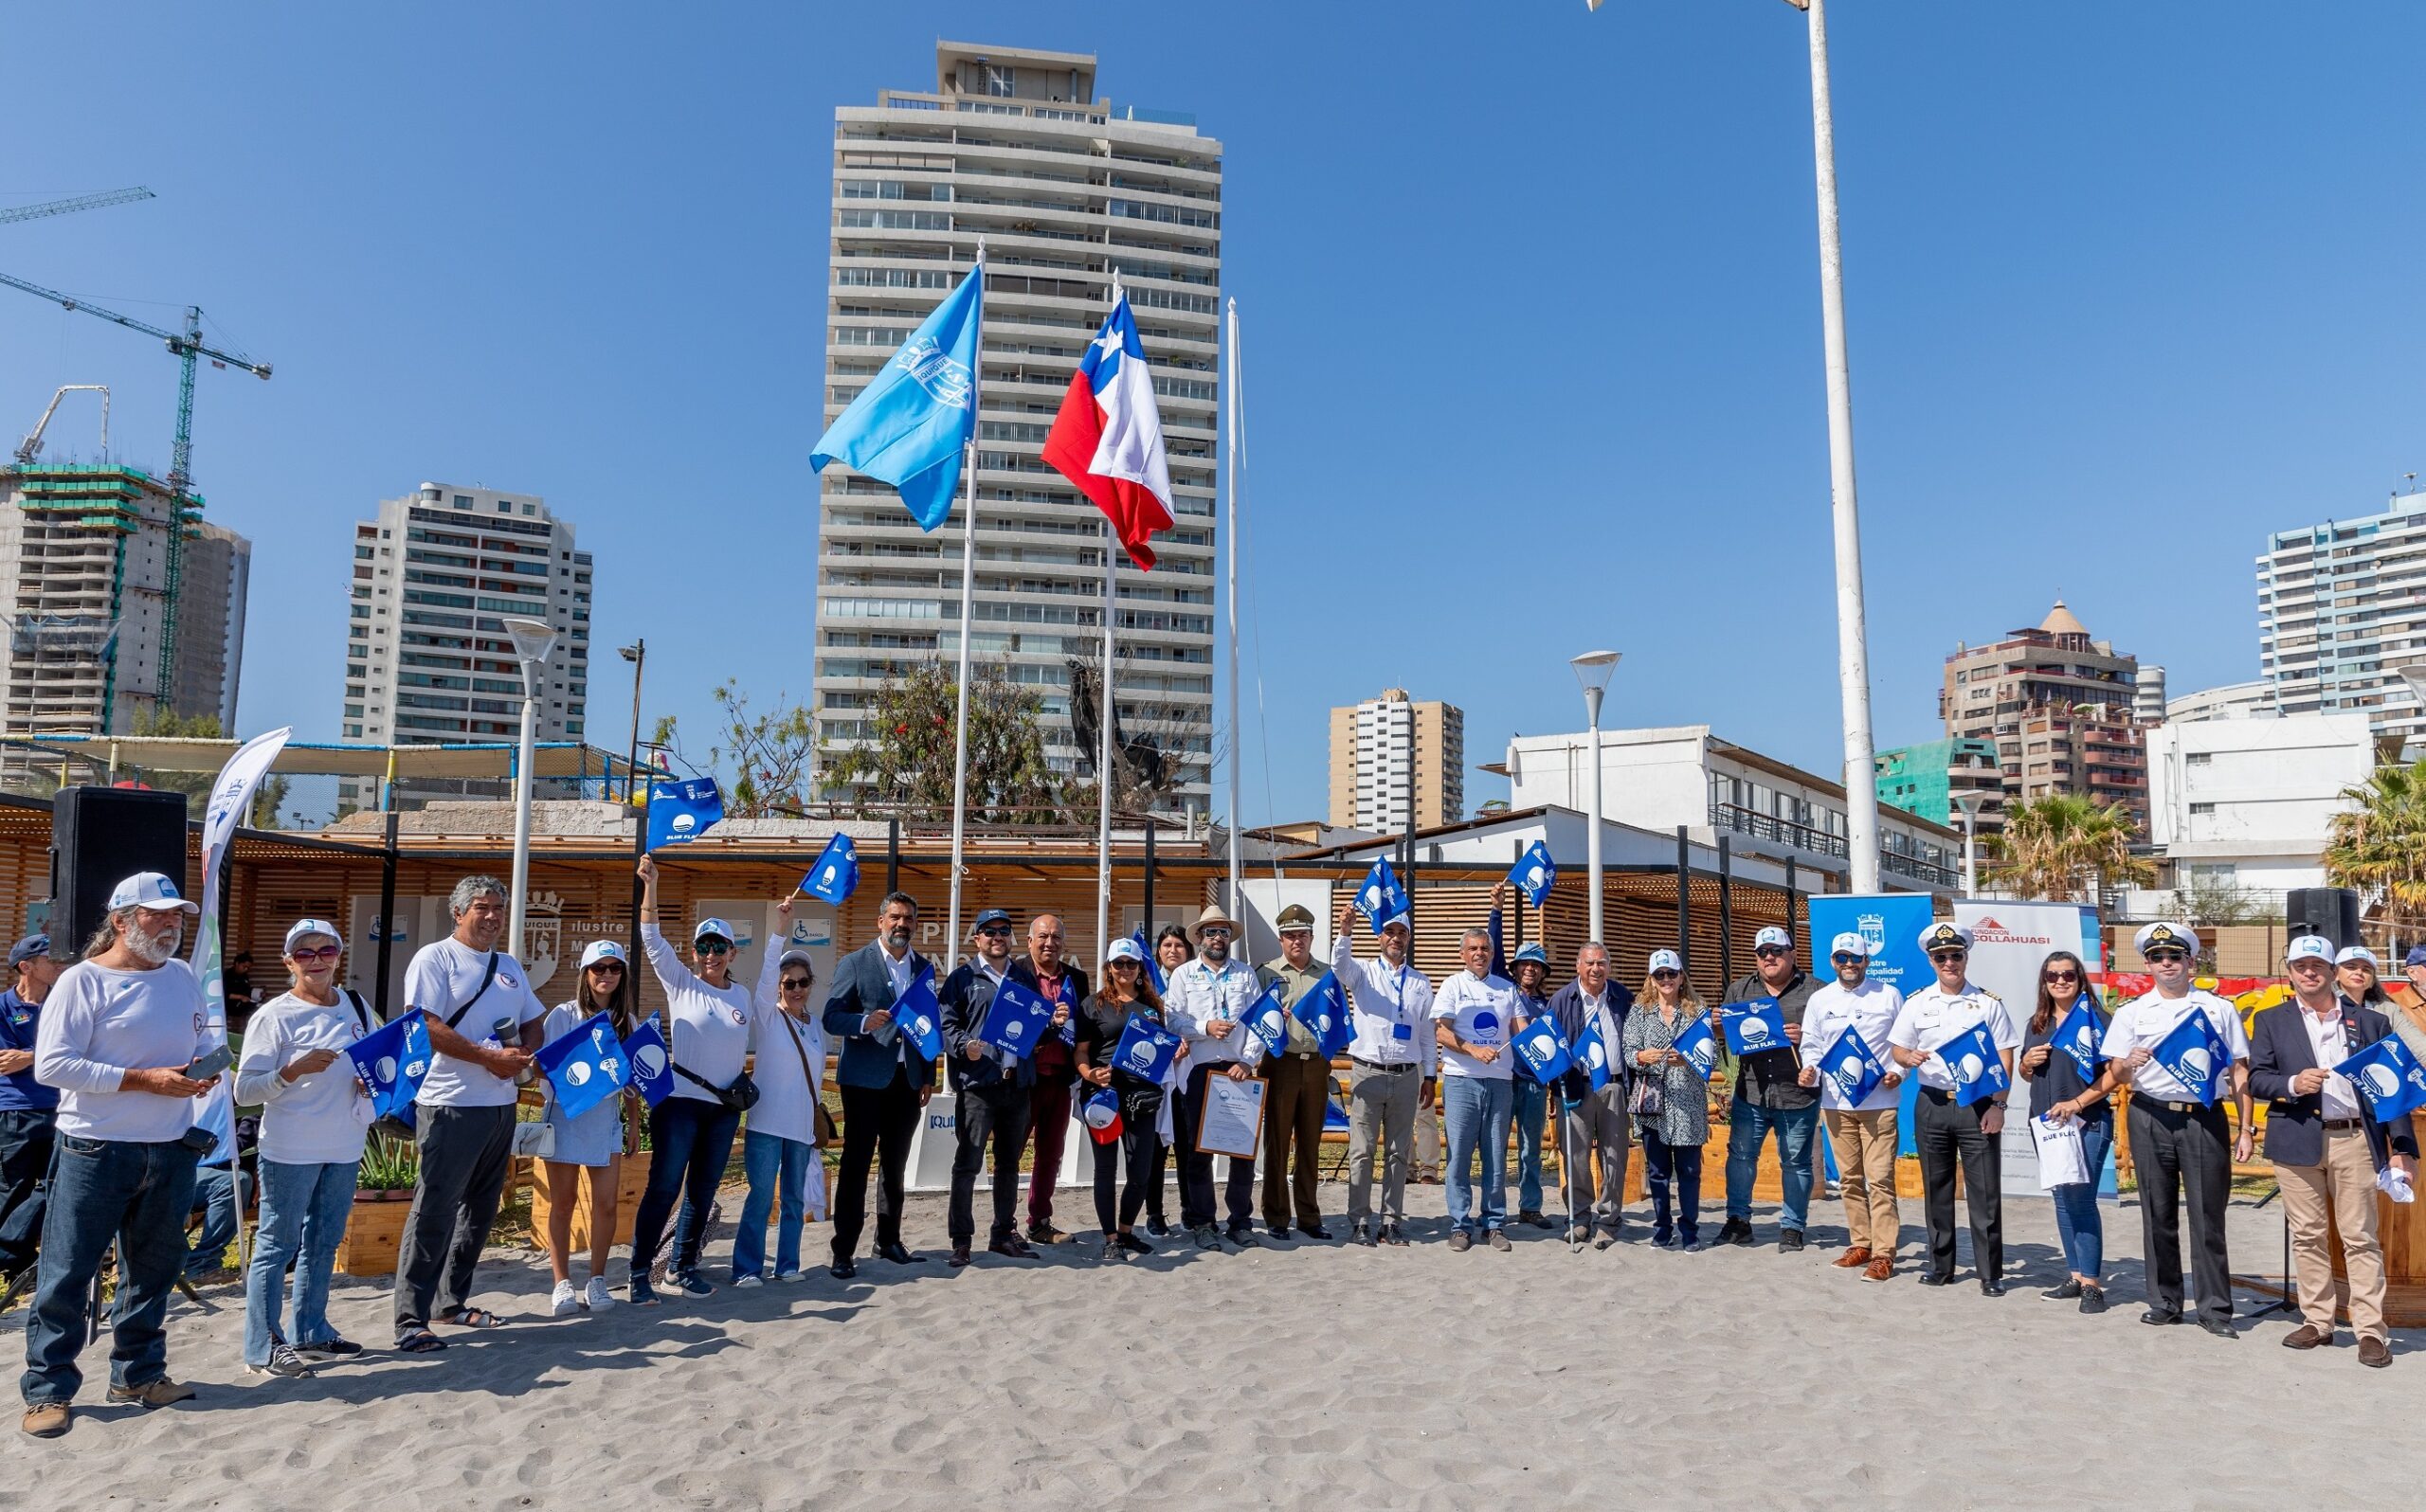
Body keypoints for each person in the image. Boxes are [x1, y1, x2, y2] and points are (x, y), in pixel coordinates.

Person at [20, 873, 215, 1439]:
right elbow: (51, 1065)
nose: (172, 925)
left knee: (153, 1271)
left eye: (177, 915)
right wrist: (142, 1080)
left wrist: (202, 1069)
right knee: (67, 1274)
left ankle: (138, 1375)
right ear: (122, 919)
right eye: (159, 915)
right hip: (95, 1149)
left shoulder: (181, 977)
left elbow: (202, 1041)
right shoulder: (82, 982)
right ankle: (48, 1392)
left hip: (173, 1145)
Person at [2050, 921, 2252, 1338]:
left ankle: (2214, 1309)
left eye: (2174, 956)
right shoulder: (2133, 1012)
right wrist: (2129, 1062)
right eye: (2157, 957)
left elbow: (2239, 1070)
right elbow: (2115, 1073)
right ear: (2147, 964)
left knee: (2207, 1216)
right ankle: (2164, 1302)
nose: (2166, 963)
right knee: (2157, 1213)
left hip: (2203, 1116)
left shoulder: (2218, 1008)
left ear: (2191, 961)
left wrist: (2246, 1128)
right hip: (2150, 1114)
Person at [391, 874, 546, 1354]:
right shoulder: (434, 958)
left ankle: (450, 1302)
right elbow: (424, 1024)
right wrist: (489, 1059)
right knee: (434, 1210)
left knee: (479, 1212)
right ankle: (409, 1318)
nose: (493, 916)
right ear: (458, 912)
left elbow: (534, 1020)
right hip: (449, 1104)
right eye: (482, 907)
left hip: (500, 1105)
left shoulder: (509, 966)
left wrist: (523, 1055)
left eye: (499, 908)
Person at [2247, 935, 2417, 1366]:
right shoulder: (2271, 1020)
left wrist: (2402, 1147)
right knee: (2307, 1236)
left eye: (2318, 966)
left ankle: (2370, 1331)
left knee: (2361, 1237)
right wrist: (2290, 1084)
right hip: (2296, 1135)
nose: (2309, 973)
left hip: (2356, 1139)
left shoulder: (2371, 1022)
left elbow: (2392, 1091)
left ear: (2332, 972)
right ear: (2290, 972)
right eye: (2301, 966)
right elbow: (2256, 1078)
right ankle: (2317, 1321)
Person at [234, 919, 373, 1378]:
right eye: (305, 953)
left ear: (339, 955)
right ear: (289, 961)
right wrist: (293, 1071)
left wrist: (374, 1081)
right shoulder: (273, 1016)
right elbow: (245, 1092)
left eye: (326, 951)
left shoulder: (355, 1004)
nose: (317, 960)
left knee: (323, 1242)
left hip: (345, 1144)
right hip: (290, 1148)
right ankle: (263, 1344)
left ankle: (310, 1330)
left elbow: (380, 1057)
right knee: (277, 1245)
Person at [627, 857, 758, 1304]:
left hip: (723, 1110)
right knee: (663, 1189)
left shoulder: (741, 995)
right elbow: (650, 937)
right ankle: (640, 1273)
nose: (712, 954)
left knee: (702, 1192)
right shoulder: (681, 982)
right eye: (705, 946)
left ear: (733, 953)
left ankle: (682, 1268)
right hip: (679, 1105)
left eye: (721, 947)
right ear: (695, 951)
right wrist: (652, 886)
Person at [1887, 922, 2017, 1296]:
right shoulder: (1917, 1003)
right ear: (1931, 961)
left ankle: (1990, 1273)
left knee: (1985, 1192)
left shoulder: (1988, 1003)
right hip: (1931, 1103)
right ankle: (1941, 1266)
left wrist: (1999, 1104)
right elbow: (1898, 1048)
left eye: (1955, 955)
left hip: (1977, 1105)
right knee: (1936, 1188)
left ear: (1965, 957)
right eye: (1941, 957)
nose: (1949, 962)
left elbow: (2005, 1055)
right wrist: (1906, 1056)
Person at [823, 890, 936, 1279]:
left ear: (914, 924)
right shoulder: (855, 963)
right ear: (880, 921)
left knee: (895, 1166)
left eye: (907, 918)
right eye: (894, 917)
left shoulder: (923, 968)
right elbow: (831, 1017)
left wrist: (928, 1076)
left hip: (907, 1082)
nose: (901, 924)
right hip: (864, 1082)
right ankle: (844, 1250)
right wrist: (861, 1023)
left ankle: (888, 1239)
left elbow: (928, 1026)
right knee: (855, 1165)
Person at [536, 940, 641, 1312]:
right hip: (566, 1115)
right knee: (562, 1204)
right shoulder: (562, 1016)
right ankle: (561, 1282)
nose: (607, 975)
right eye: (600, 968)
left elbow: (632, 1079)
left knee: (607, 1205)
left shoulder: (627, 1020)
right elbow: (542, 1069)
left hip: (606, 1119)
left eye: (615, 969)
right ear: (585, 972)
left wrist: (633, 1123)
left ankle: (596, 1280)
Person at [1796, 932, 1904, 1282]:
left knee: (1881, 1179)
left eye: (1854, 958)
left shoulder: (1888, 995)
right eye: (1841, 958)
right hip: (1835, 1103)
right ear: (1832, 962)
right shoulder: (1820, 999)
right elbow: (1811, 1043)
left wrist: (1898, 1072)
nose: (1848, 965)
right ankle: (1862, 1243)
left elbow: (1905, 1042)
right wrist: (1809, 1068)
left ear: (1866, 961)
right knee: (1849, 1179)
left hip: (1879, 1102)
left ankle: (1884, 1253)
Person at [1332, 897, 1435, 1247]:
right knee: (1362, 1151)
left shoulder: (1421, 982)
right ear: (1379, 937)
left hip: (1407, 1075)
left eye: (1401, 932)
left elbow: (1425, 1033)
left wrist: (1431, 1076)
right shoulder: (1362, 973)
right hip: (1368, 1072)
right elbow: (1339, 967)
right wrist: (1345, 932)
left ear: (1408, 938)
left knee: (1398, 1152)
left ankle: (1391, 1221)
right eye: (1389, 931)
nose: (1395, 938)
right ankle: (1360, 1220)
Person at [937, 909, 1036, 1267]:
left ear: (1010, 937)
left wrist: (1051, 1021)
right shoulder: (962, 978)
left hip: (1017, 1085)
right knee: (968, 1164)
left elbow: (1034, 1028)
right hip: (978, 1086)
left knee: (1009, 1165)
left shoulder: (1024, 978)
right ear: (976, 937)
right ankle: (961, 1241)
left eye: (1003, 930)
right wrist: (965, 1045)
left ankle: (1002, 1234)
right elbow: (946, 1026)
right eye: (989, 931)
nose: (997, 936)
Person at [1714, 925, 1820, 1251]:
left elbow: (1834, 1037)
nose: (1769, 958)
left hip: (1798, 1093)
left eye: (1776, 951)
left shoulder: (1817, 991)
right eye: (1762, 953)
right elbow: (1725, 1039)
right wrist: (1717, 1027)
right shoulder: (1739, 990)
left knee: (1796, 1163)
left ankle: (1792, 1227)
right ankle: (1738, 1221)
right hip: (1751, 1091)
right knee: (1741, 1158)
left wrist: (1807, 1037)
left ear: (1792, 955)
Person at [2017, 948, 2111, 1313]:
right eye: (2052, 975)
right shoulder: (2037, 1023)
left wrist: (2078, 1103)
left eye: (2068, 975)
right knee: (2061, 1198)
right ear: (2044, 981)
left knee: (2081, 1200)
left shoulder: (2097, 1020)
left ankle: (2093, 1285)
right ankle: (2075, 1275)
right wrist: (2025, 1063)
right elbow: (2027, 1075)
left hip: (2086, 1121)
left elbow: (2115, 1075)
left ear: (2079, 978)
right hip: (2046, 1121)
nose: (2060, 981)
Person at [1074, 936, 1179, 1258]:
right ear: (1109, 967)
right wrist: (1090, 1074)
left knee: (1140, 1171)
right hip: (1104, 1097)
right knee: (1105, 1170)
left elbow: (1159, 1053)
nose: (1125, 969)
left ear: (1140, 968)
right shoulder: (1093, 1005)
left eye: (1131, 963)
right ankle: (1109, 1240)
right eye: (1118, 963)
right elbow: (1080, 1052)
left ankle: (1126, 1231)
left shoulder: (1151, 1008)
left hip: (1142, 1098)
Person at [1167, 903, 1262, 1251]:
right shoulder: (1183, 975)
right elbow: (1172, 1020)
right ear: (1199, 938)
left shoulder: (1245, 974)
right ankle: (1203, 1221)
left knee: (1242, 1152)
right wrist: (1203, 1027)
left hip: (1238, 1071)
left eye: (1223, 932)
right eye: (1211, 932)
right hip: (1199, 1070)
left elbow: (1260, 1022)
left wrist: (1249, 1061)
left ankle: (1240, 1221)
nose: (1217, 938)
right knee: (1198, 1152)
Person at [735, 929, 826, 1287]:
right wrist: (777, 932)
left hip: (801, 1127)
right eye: (789, 983)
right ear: (778, 986)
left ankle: (787, 1264)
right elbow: (766, 973)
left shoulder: (815, 1025)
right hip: (767, 1125)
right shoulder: (769, 1016)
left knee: (793, 1200)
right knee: (759, 1198)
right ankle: (746, 1268)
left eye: (803, 982)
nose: (797, 989)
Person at [1620, 949, 1716, 1250]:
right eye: (1659, 974)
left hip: (1687, 1102)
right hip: (1652, 1103)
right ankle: (1662, 1228)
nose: (1666, 979)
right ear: (1651, 979)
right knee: (1658, 1173)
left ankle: (1690, 1231)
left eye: (1671, 974)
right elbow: (1628, 1051)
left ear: (1681, 976)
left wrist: (1688, 1060)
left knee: (1689, 1172)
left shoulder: (1699, 1012)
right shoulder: (1638, 1011)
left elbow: (1709, 1055)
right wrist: (1640, 1056)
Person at [1433, 926, 1520, 1251]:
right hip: (1461, 1081)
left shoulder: (1506, 989)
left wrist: (1543, 1036)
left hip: (1500, 1082)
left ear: (1492, 954)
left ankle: (1494, 1224)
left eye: (1484, 948)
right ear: (1462, 954)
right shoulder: (1452, 985)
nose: (1479, 954)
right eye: (1473, 949)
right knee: (1459, 1155)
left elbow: (1520, 1029)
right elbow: (1441, 1032)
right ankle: (1459, 1224)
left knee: (1496, 1155)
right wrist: (1473, 1050)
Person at [1542, 940, 1632, 1250]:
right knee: (1576, 1157)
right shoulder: (1560, 999)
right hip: (1575, 1086)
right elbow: (1549, 1044)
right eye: (1590, 963)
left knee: (1614, 1156)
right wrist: (1554, 1087)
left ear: (1608, 967)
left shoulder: (1622, 997)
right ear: (1578, 966)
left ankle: (1609, 1220)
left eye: (1601, 963)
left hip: (1613, 1085)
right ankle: (1579, 1218)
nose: (1596, 969)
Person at [1006, 913, 1085, 1247]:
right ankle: (1004, 1222)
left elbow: (1084, 1028)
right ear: (1029, 941)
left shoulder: (1077, 979)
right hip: (1025, 1079)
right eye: (1042, 936)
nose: (1049, 943)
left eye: (1055, 937)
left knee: (1051, 1154)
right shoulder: (1015, 973)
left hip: (1060, 1079)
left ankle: (1039, 1221)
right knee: (1011, 1152)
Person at [1257, 903, 1333, 1241]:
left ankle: (1308, 1215)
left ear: (1312, 937)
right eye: (1290, 935)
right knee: (1277, 1142)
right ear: (1280, 939)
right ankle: (1276, 1214)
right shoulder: (1266, 974)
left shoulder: (1327, 973)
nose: (1296, 941)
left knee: (1310, 1143)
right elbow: (1253, 1022)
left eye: (1302, 935)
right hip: (1281, 1063)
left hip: (1316, 1064)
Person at [1486, 885, 1555, 1231]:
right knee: (1496, 1146)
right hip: (1501, 1079)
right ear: (1514, 968)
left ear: (1543, 972)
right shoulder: (1503, 988)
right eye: (1524, 964)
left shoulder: (1549, 1007)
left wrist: (1554, 1085)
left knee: (1530, 1149)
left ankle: (1530, 1206)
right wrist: (1496, 911)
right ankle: (1493, 1207)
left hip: (1533, 1085)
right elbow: (1493, 951)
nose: (1530, 969)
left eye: (1536, 965)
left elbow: (1555, 1049)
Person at [0, 934, 62, 1303]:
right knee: (13, 1188)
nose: (59, 965)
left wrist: (32, 1055)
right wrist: (44, 1055)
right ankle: (15, 1268)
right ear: (27, 966)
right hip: (16, 1109)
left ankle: (16, 1255)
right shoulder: (5, 1006)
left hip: (61, 1107)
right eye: (50, 959)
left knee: (55, 1185)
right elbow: (4, 1062)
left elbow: (75, 1046)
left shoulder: (62, 1003)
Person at [1144, 925, 1191, 1234]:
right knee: (1155, 1152)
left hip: (1188, 1073)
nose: (1172, 950)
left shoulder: (1195, 979)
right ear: (1158, 951)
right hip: (1157, 1076)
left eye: (1178, 945)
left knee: (1188, 1149)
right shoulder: (1146, 982)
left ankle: (1191, 1211)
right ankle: (1154, 1215)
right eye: (1166, 945)